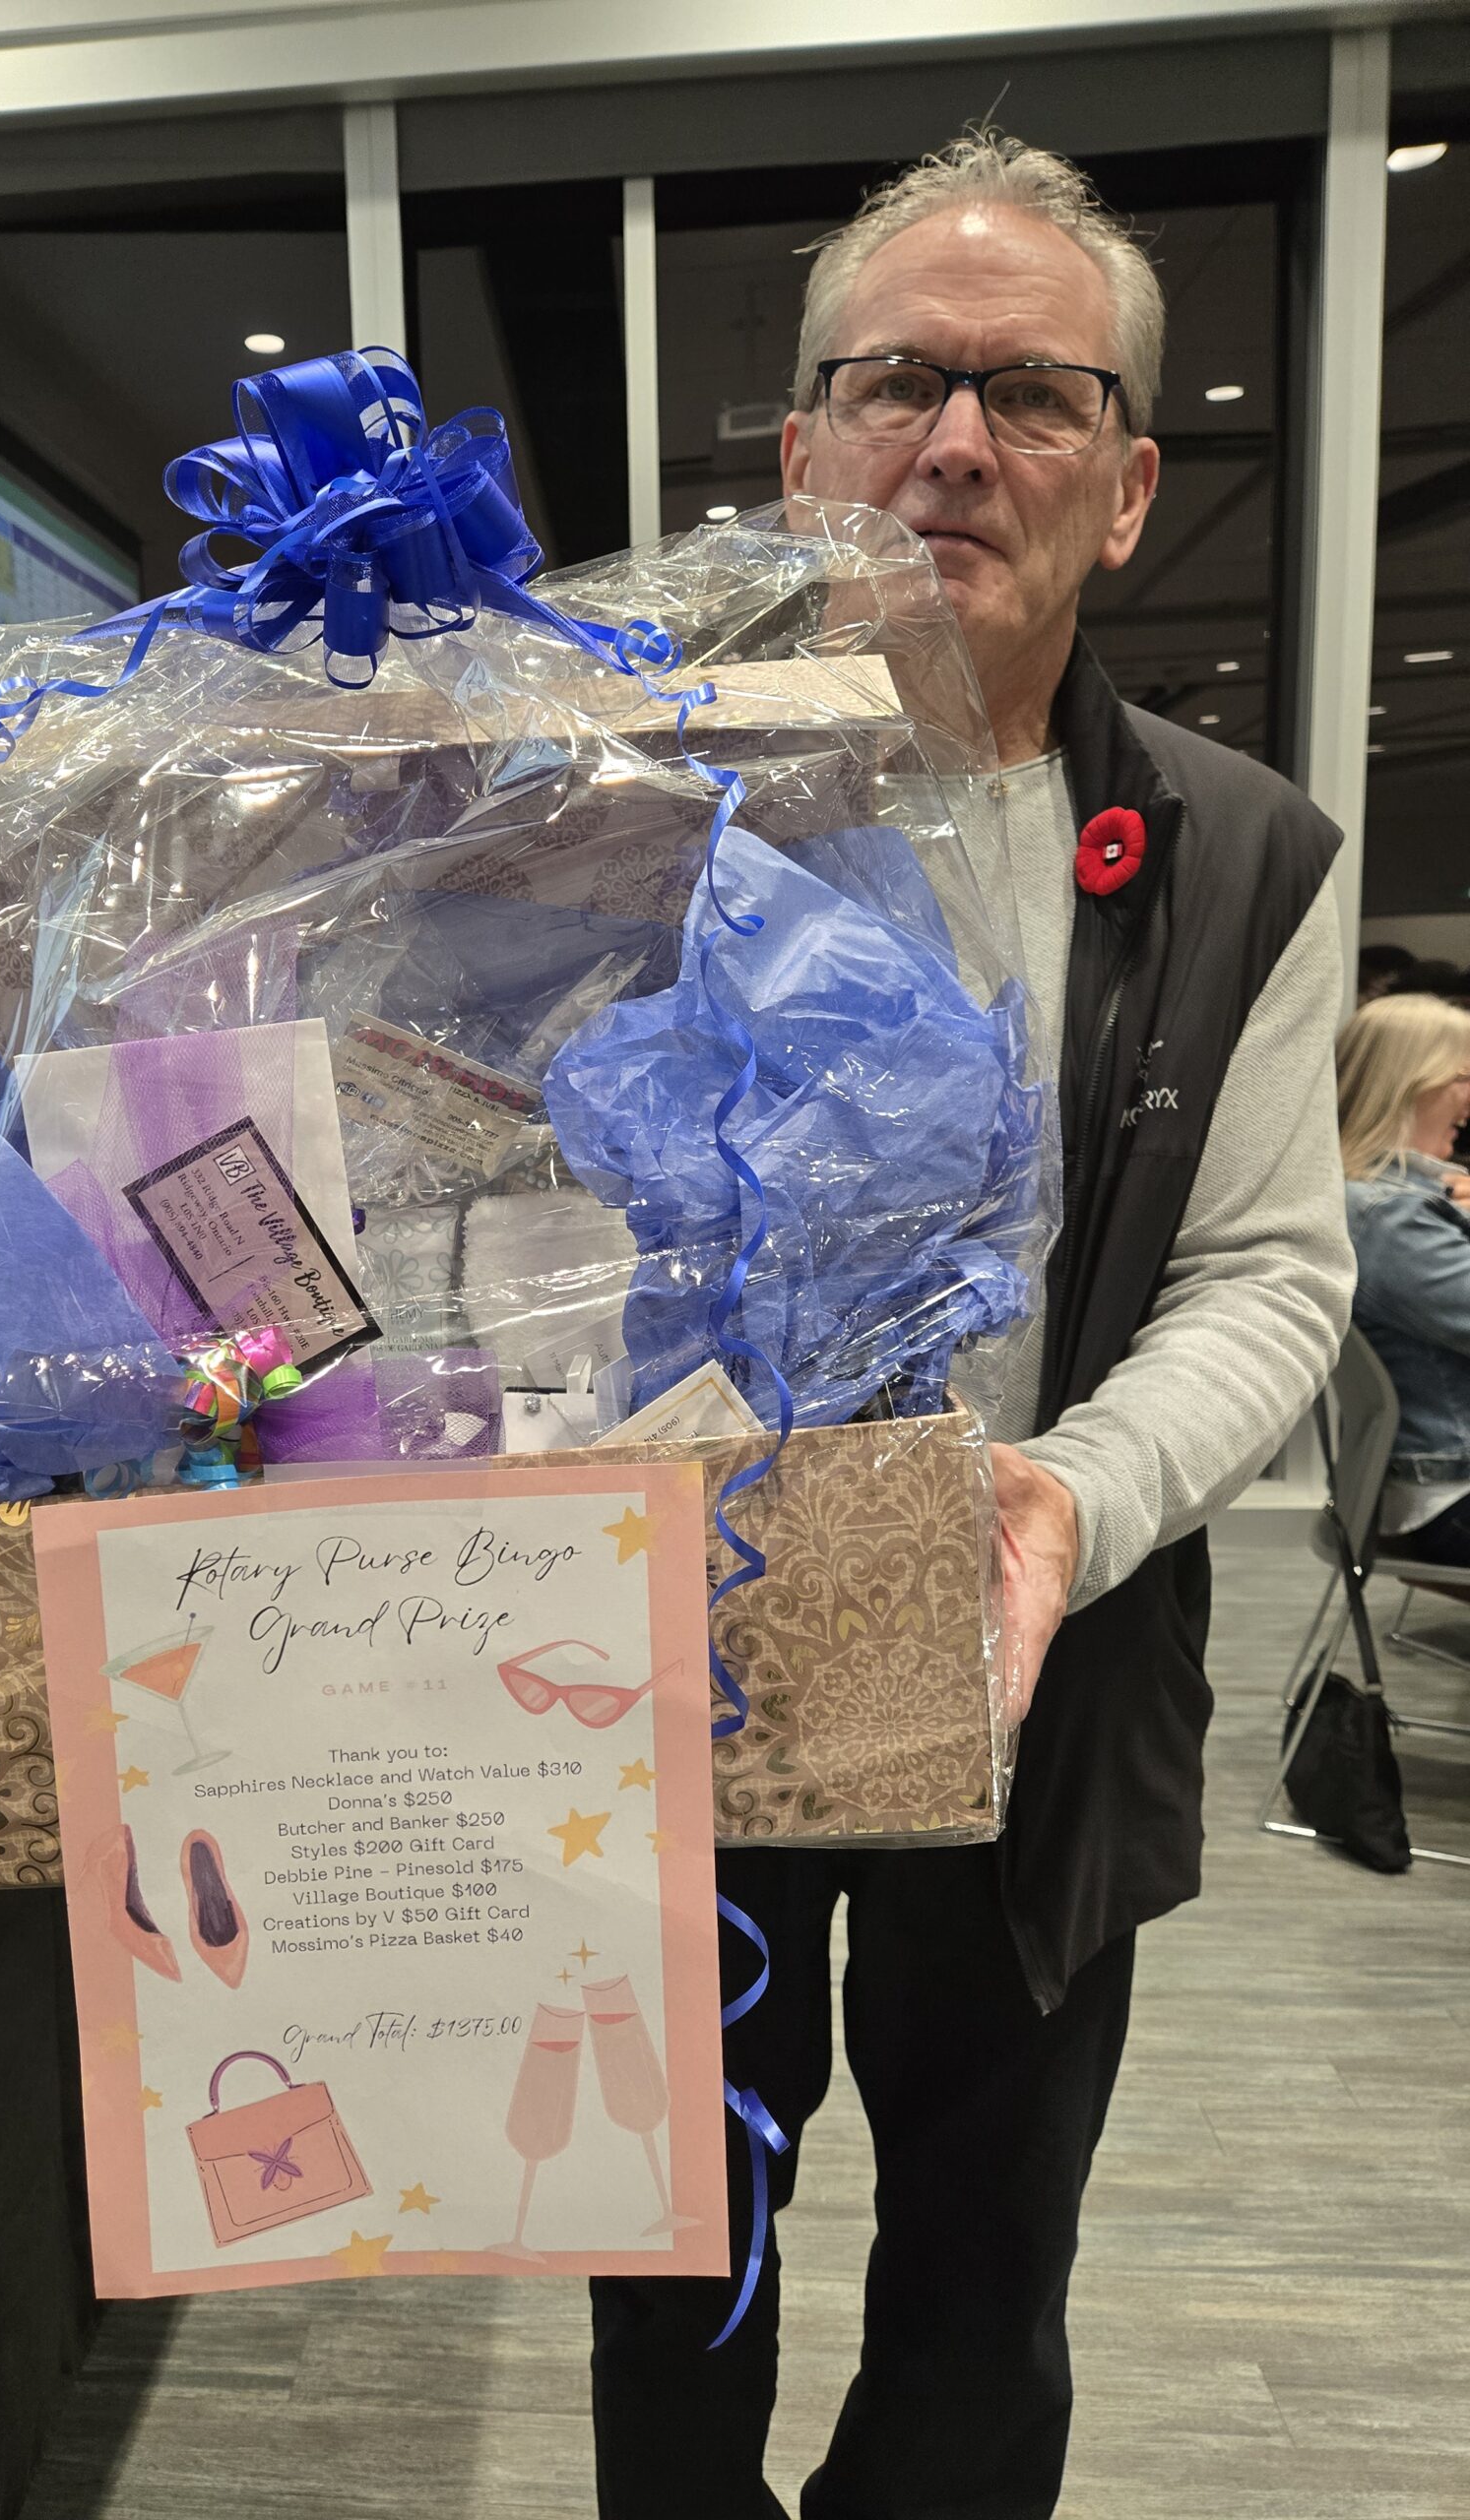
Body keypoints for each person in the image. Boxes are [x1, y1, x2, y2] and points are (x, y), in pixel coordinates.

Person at [590, 131, 1355, 2520]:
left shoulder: (1242, 852)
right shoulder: (606, 806)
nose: (950, 441)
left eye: (1029, 394)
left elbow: (1270, 1270)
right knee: (667, 2277)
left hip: (1050, 1670)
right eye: (894, 381)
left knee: (980, 2294)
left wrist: (1060, 1496)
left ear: (1126, 488)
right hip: (660, 1668)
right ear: (798, 447)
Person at [1338, 992, 1470, 1564]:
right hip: (1450, 1499)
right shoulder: (1388, 1217)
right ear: (1409, 1080)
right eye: (1462, 1076)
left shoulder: (1391, 1201)